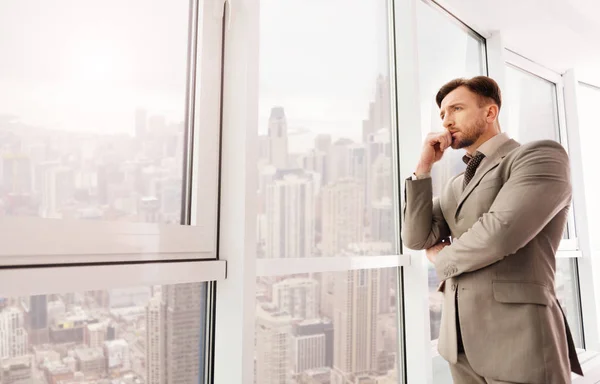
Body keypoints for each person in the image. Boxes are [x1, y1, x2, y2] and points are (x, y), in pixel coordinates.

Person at [401, 76, 583, 383]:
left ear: (490, 113)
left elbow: (499, 234)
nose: (446, 122)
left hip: (519, 340)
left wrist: (440, 259)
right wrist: (423, 169)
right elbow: (416, 237)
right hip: (458, 344)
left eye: (456, 109)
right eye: (442, 114)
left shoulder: (538, 156)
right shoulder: (455, 185)